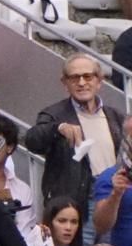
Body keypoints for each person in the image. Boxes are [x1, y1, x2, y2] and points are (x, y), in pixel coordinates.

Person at [26, 54, 123, 220]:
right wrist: (58, 128)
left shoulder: (115, 116)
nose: (81, 83)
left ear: (99, 81)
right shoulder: (54, 114)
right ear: (65, 83)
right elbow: (32, 141)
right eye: (74, 78)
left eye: (87, 76)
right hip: (75, 205)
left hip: (111, 195)